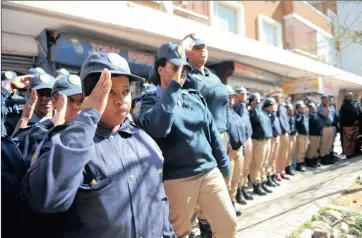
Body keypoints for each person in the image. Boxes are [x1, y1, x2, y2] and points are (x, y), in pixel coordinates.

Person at [21, 52, 176, 238]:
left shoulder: (144, 141)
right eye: (109, 91)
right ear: (90, 96)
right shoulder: (68, 142)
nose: (121, 100)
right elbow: (45, 199)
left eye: (125, 91)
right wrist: (88, 117)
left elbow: (159, 207)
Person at [136, 42, 236, 238]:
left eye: (185, 68)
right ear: (160, 69)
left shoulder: (194, 96)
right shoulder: (149, 99)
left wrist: (224, 168)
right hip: (176, 178)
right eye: (176, 67)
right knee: (180, 233)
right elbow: (159, 128)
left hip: (208, 170)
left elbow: (212, 134)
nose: (182, 72)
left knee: (227, 225)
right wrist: (172, 89)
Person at [19, 74, 84, 165]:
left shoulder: (88, 130)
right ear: (54, 102)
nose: (76, 107)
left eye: (81, 101)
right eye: (70, 100)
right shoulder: (39, 134)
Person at [225, 85, 246, 212]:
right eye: (228, 97)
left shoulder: (233, 113)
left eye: (232, 97)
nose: (231, 100)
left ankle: (232, 204)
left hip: (238, 151)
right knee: (227, 183)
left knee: (235, 181)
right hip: (228, 153)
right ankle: (225, 209)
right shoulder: (219, 113)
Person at [249, 93, 273, 196]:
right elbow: (256, 120)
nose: (259, 102)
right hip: (257, 141)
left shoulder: (262, 112)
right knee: (256, 165)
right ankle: (256, 184)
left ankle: (263, 181)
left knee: (264, 163)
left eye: (260, 100)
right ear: (252, 101)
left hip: (266, 140)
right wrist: (255, 107)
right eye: (257, 100)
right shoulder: (251, 112)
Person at [233, 87, 254, 203]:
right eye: (244, 94)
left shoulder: (244, 107)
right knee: (239, 169)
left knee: (246, 166)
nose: (246, 96)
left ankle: (244, 187)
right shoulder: (236, 107)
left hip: (248, 138)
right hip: (241, 140)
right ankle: (237, 193)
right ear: (239, 95)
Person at [270, 91, 290, 180]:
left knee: (284, 154)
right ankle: (276, 172)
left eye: (279, 97)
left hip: (285, 133)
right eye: (276, 97)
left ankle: (282, 171)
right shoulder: (273, 108)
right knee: (277, 155)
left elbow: (286, 119)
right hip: (278, 134)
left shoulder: (283, 107)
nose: (278, 99)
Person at [263, 97, 280, 191]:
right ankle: (268, 177)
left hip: (276, 137)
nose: (274, 107)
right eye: (272, 105)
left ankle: (272, 175)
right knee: (268, 159)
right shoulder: (266, 114)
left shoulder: (273, 113)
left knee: (274, 158)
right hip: (271, 138)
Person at [340, 92, 359, 159]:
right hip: (347, 126)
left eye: (351, 96)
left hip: (355, 125)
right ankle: (348, 154)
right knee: (347, 141)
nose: (350, 97)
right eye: (349, 96)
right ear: (346, 97)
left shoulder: (354, 104)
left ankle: (352, 152)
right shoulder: (344, 105)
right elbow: (343, 116)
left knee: (353, 140)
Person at [317, 95, 336, 165]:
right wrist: (327, 106)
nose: (326, 101)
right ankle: (323, 158)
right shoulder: (320, 108)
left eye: (327, 100)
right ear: (322, 100)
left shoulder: (330, 107)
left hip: (330, 127)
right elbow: (325, 115)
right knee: (324, 144)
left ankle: (327, 157)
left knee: (329, 143)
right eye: (325, 100)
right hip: (324, 127)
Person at [305, 103, 324, 167]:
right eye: (312, 108)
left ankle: (314, 161)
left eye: (314, 107)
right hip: (313, 134)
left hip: (318, 134)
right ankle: (310, 162)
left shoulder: (316, 114)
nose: (313, 109)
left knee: (315, 149)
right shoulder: (309, 115)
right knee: (312, 149)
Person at [295, 101, 309, 172]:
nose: (303, 109)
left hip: (305, 134)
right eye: (301, 108)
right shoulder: (297, 115)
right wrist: (299, 114)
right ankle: (299, 164)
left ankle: (302, 162)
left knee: (304, 149)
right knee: (300, 150)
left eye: (303, 107)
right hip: (300, 134)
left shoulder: (304, 115)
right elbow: (298, 121)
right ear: (297, 109)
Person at [285, 103, 296, 175]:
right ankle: (287, 168)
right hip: (288, 136)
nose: (291, 110)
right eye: (290, 109)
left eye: (292, 109)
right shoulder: (286, 117)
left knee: (291, 152)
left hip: (293, 135)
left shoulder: (292, 116)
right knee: (287, 153)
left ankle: (290, 166)